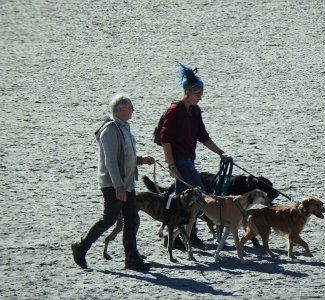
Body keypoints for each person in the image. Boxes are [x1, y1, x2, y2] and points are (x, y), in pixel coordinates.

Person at [72, 94, 154, 271]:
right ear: (121, 109)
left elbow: (126, 156)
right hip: (113, 184)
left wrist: (141, 160)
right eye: (130, 107)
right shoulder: (110, 129)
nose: (133, 110)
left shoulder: (124, 127)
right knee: (109, 218)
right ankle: (80, 247)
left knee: (132, 219)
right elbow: (110, 162)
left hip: (128, 183)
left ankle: (132, 258)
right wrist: (118, 186)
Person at [160, 62, 227, 246]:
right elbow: (165, 138)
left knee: (182, 200)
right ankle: (187, 234)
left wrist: (220, 152)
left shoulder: (195, 111)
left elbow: (202, 135)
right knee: (198, 193)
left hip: (188, 158)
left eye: (201, 94)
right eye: (198, 94)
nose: (200, 97)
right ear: (187, 92)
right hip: (179, 160)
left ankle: (178, 235)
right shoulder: (175, 111)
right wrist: (171, 166)